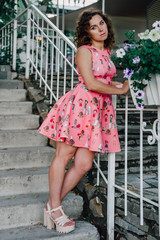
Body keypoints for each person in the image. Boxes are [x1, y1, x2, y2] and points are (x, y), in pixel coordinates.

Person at [38, 9, 130, 234]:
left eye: (102, 23)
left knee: (84, 164)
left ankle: (52, 204)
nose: (101, 29)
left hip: (98, 110)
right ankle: (56, 208)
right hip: (81, 107)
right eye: (94, 26)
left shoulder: (107, 52)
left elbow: (104, 79)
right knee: (64, 155)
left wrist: (121, 85)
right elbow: (91, 83)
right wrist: (120, 90)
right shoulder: (83, 51)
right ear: (86, 32)